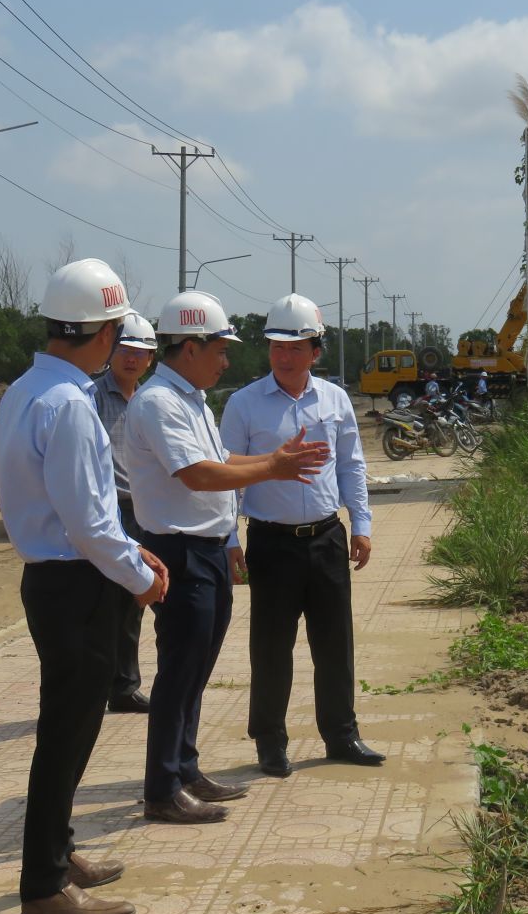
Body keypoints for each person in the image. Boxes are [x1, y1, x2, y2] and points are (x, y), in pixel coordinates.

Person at [0, 258, 170, 914]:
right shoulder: (69, 404)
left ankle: (59, 853)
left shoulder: (25, 390)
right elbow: (91, 520)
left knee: (68, 725)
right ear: (102, 334)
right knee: (67, 733)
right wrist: (140, 576)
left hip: (53, 577)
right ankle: (43, 884)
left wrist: (130, 556)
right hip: (77, 582)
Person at [123, 292, 331, 824]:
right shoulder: (158, 403)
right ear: (188, 346)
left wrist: (274, 459)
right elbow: (197, 474)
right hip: (179, 550)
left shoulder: (190, 398)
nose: (226, 361)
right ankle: (161, 788)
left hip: (208, 549)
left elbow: (220, 460)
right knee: (178, 671)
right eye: (219, 349)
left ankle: (184, 768)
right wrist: (273, 470)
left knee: (197, 669)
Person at [221, 293, 383, 777]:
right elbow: (224, 476)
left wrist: (363, 525)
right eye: (276, 347)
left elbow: (352, 464)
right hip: (271, 544)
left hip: (327, 539)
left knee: (335, 645)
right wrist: (230, 540)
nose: (285, 356)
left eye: (296, 347)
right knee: (271, 649)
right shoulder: (244, 404)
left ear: (316, 351)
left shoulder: (333, 400)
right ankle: (269, 743)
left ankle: (342, 735)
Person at [93, 311, 159, 715]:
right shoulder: (91, 396)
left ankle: (124, 686)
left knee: (135, 600)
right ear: (110, 351)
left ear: (151, 359)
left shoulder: (150, 401)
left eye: (141, 353)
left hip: (145, 509)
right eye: (124, 350)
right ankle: (97, 685)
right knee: (103, 604)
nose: (132, 359)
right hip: (109, 510)